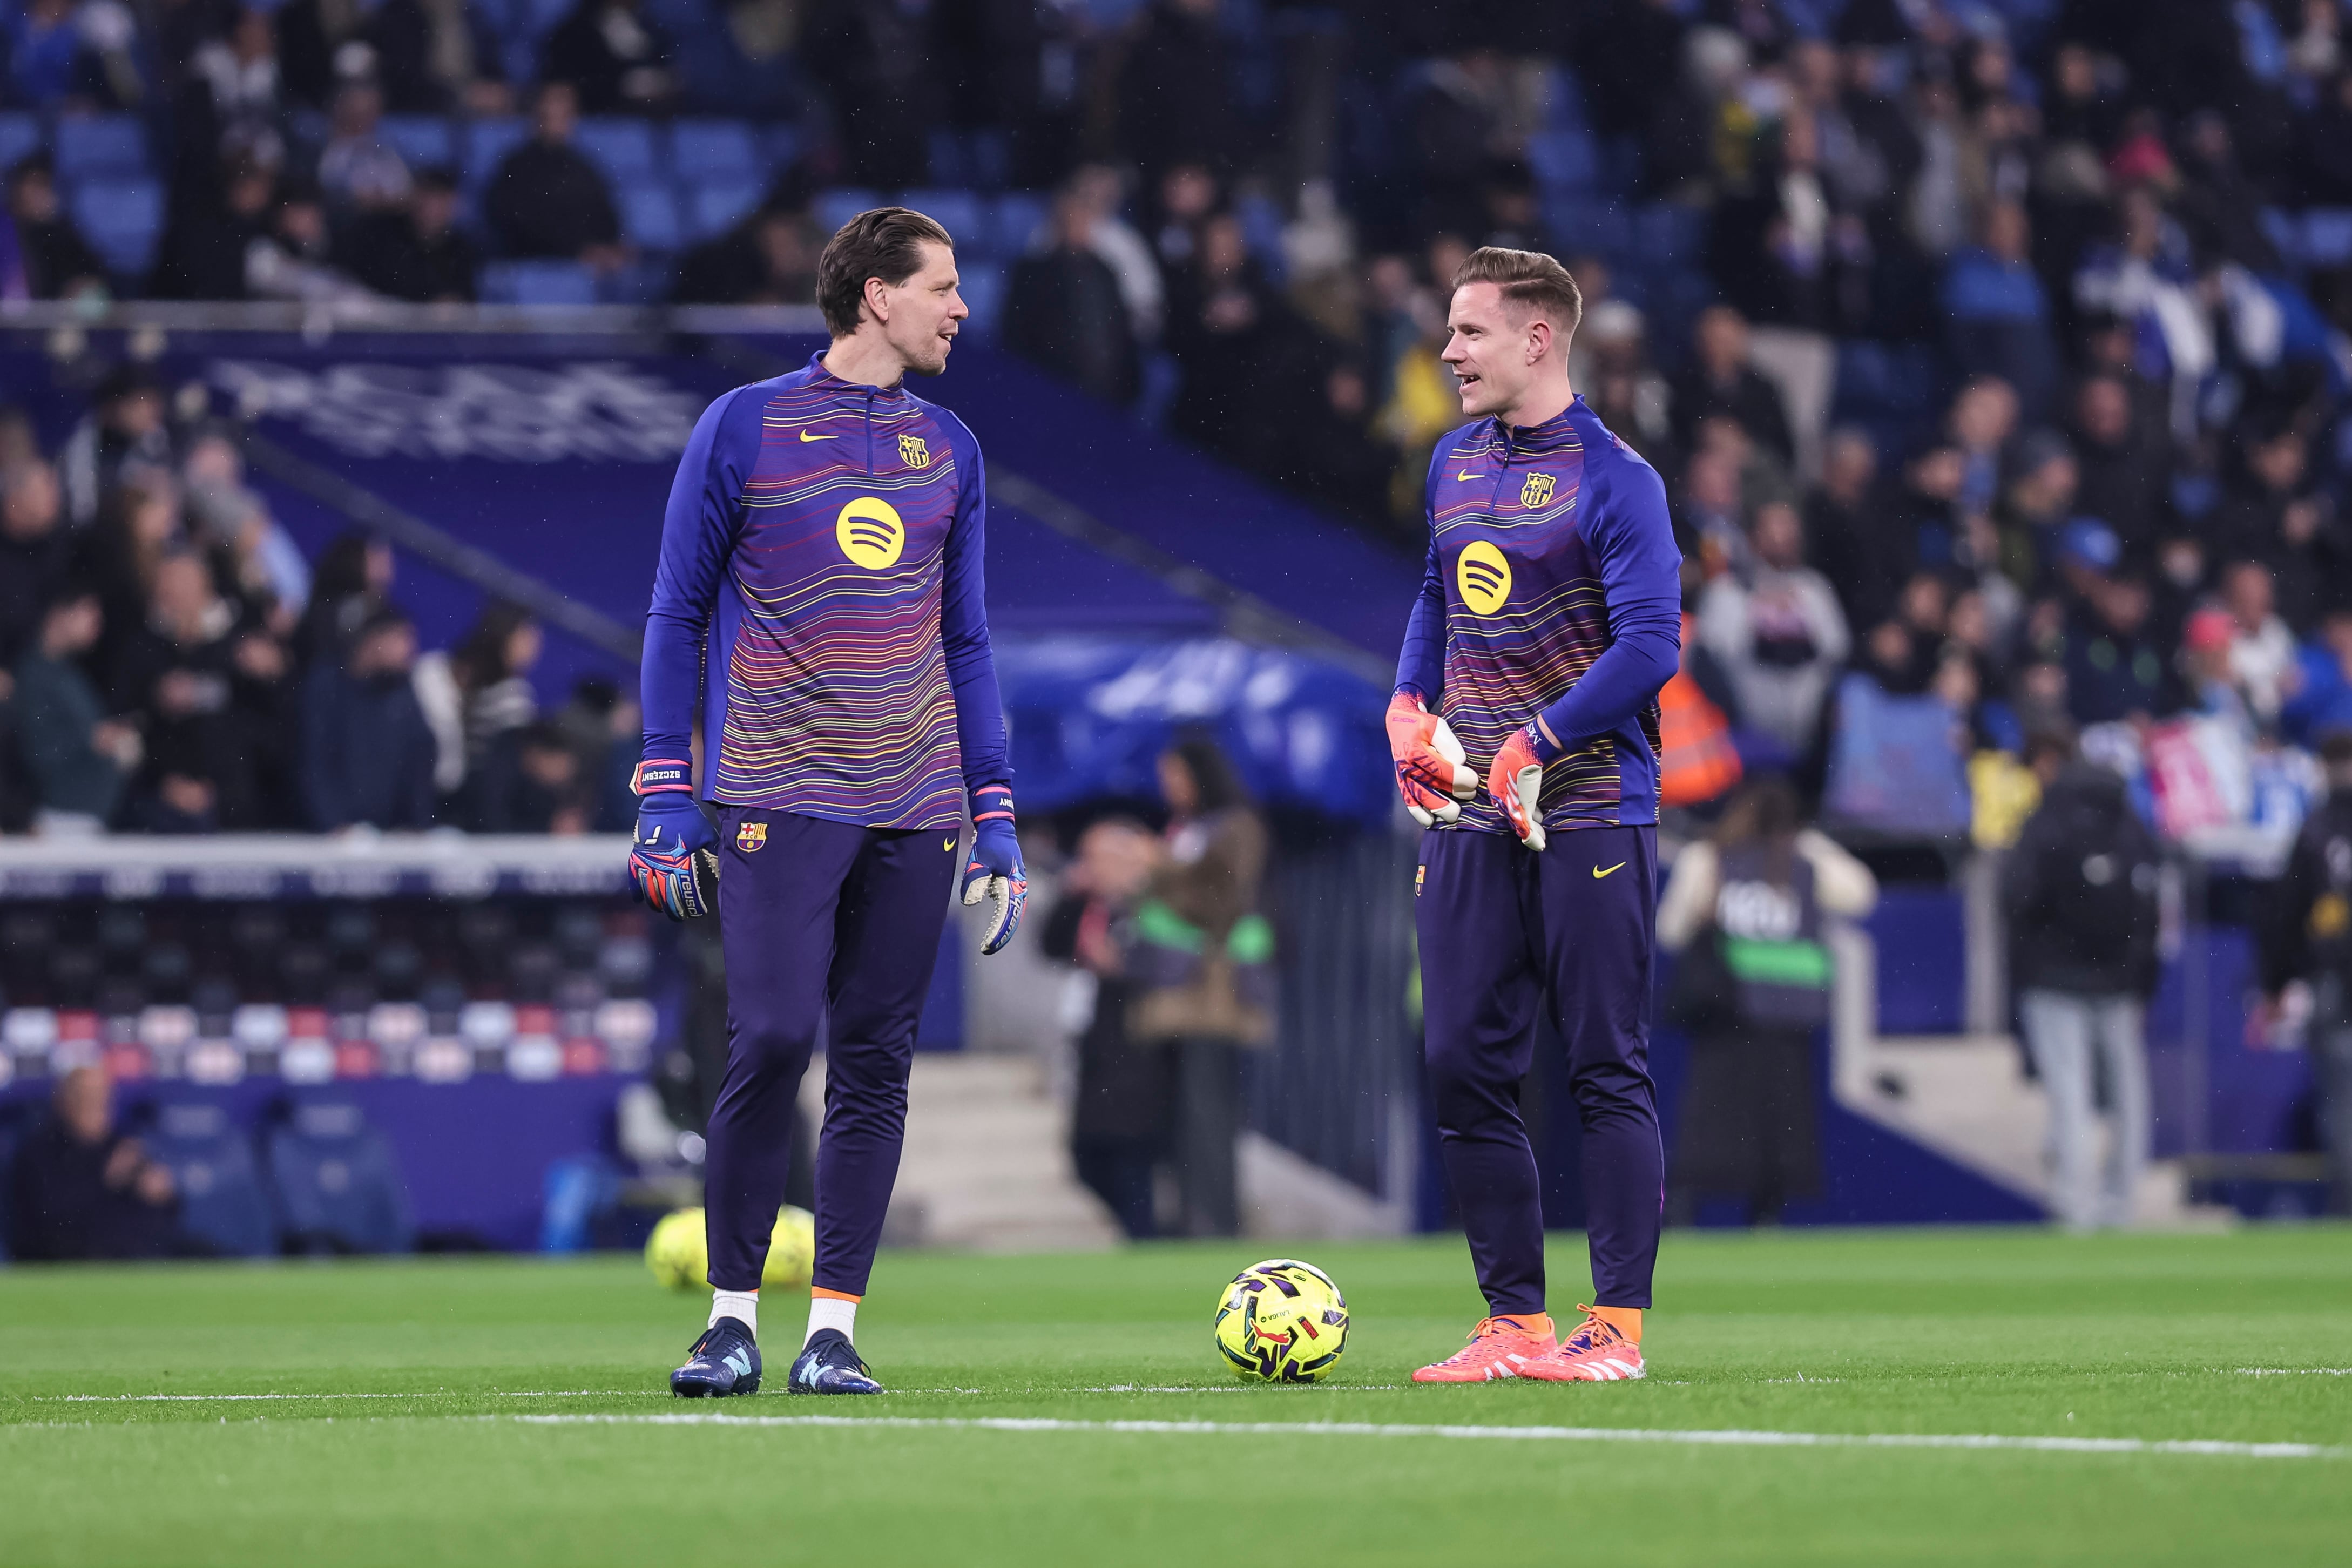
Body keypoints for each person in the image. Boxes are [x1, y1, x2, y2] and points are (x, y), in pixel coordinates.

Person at [634, 208, 1023, 1399]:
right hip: (776, 789)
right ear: (876, 296)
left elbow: (967, 641)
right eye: (942, 286)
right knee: (771, 1039)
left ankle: (833, 1331)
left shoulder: (950, 448)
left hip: (917, 801)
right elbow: (675, 608)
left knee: (874, 1061)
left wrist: (996, 811)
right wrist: (664, 781)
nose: (961, 308)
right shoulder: (744, 425)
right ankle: (729, 1323)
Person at [1387, 245, 1681, 1384]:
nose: (1449, 350)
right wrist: (1407, 705)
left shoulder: (1618, 479)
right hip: (1472, 810)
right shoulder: (1454, 460)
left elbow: (1651, 646)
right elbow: (1435, 593)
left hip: (1592, 807)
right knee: (1462, 1058)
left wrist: (1539, 740)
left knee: (1604, 1064)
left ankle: (1615, 1330)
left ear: (1539, 337)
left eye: (1469, 331)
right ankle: (1514, 1320)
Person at [1658, 777, 1877, 1225]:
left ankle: (1684, 1215)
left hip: (1728, 1011)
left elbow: (1671, 931)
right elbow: (1861, 893)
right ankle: (1766, 1218)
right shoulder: (1805, 859)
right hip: (1784, 1013)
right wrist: (1809, 846)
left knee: (1710, 1123)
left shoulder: (1709, 857)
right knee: (1779, 1128)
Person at [2004, 728, 2162, 1231]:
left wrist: (2030, 962)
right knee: (2128, 1094)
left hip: (2053, 978)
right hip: (2120, 980)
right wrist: (2143, 977)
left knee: (2069, 1092)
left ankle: (2075, 1206)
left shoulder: (2047, 819)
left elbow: (2017, 897)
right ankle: (2121, 1203)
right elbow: (2152, 907)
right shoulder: (2127, 819)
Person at [1126, 735, 1270, 1238]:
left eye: (1176, 776)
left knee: (1209, 1116)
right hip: (1172, 993)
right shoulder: (1187, 829)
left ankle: (1216, 1224)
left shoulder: (1237, 827)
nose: (1168, 787)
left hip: (1214, 996)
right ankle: (1189, 1220)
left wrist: (1160, 868)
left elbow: (1221, 901)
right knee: (1179, 1118)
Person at [1040, 815, 1167, 1239]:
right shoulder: (1089, 906)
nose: (1091, 867)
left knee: (1131, 1159)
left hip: (1138, 1046)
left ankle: (1147, 1238)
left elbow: (1170, 961)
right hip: (1095, 1045)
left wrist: (1119, 967)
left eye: (1098, 858)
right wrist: (1070, 894)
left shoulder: (1149, 903)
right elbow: (1050, 944)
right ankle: (1137, 1232)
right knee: (1086, 1158)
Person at [2261, 729, 2352, 1215]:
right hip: (2333, 981)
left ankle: (2349, 1204)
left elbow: (2286, 913)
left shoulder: (2316, 830)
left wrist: (2276, 982)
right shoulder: (2315, 829)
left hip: (2334, 981)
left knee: (2343, 1100)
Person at [8, 1066, 181, 1261]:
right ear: (65, 1102)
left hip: (129, 1257)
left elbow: (167, 1211)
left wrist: (160, 1193)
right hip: (62, 1260)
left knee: (196, 1250)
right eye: (85, 1098)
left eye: (101, 1099)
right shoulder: (37, 1152)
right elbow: (51, 1220)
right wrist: (107, 1180)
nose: (95, 1107)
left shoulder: (119, 1146)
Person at [300, 603, 438, 830]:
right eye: (402, 638)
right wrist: (333, 823)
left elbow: (419, 762)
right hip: (328, 836)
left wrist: (416, 825)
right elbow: (315, 763)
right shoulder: (327, 686)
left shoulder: (403, 692)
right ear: (374, 640)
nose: (411, 649)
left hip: (387, 836)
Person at [485, 82, 623, 268]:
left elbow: (606, 215)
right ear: (537, 114)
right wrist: (577, 250)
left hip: (585, 264)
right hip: (537, 264)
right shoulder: (515, 166)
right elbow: (515, 222)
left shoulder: (584, 167)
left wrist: (609, 246)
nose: (559, 120)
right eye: (552, 112)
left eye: (566, 114)